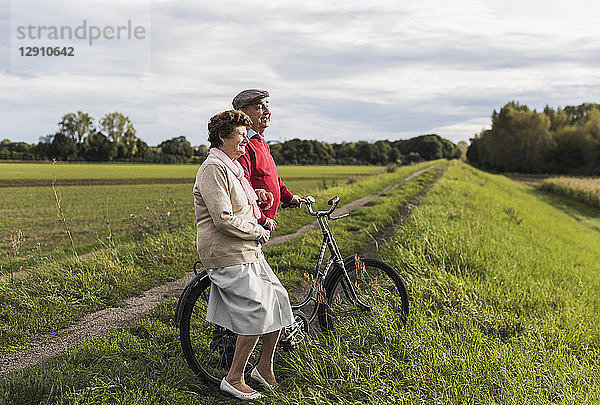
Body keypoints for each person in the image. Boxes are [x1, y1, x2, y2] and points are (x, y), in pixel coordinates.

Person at [193, 110, 294, 401]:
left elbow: (239, 203)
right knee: (258, 310)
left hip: (246, 251)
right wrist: (256, 231)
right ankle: (234, 378)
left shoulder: (233, 168)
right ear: (223, 137)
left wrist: (257, 196)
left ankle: (263, 368)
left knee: (279, 299)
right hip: (226, 253)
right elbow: (223, 218)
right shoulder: (214, 168)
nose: (245, 144)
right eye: (240, 138)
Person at [233, 89, 301, 232]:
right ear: (242, 114)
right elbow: (242, 185)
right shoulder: (243, 145)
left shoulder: (261, 142)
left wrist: (289, 198)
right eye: (259, 107)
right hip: (253, 222)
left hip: (264, 220)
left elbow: (271, 177)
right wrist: (262, 219)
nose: (267, 111)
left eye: (267, 105)